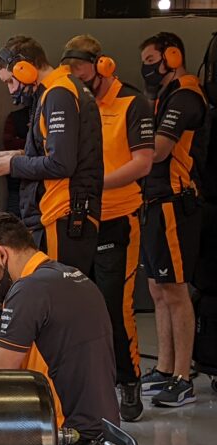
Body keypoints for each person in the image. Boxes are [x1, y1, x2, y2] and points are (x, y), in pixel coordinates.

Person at [0, 213, 118, 445]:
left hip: (68, 444)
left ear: (1, 254)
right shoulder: (75, 276)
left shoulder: (28, 290)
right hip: (106, 439)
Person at [61, 35, 155, 422]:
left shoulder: (133, 103)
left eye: (81, 71)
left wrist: (94, 183)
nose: (77, 79)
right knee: (76, 309)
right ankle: (86, 386)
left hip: (119, 219)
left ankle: (129, 381)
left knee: (114, 306)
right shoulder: (75, 103)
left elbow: (143, 162)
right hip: (79, 219)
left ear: (102, 66)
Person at [0, 36, 104, 273]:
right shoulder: (58, 90)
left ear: (26, 68)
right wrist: (23, 153)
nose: (11, 90)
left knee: (57, 291)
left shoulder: (58, 94)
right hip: (62, 216)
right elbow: (63, 150)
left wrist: (14, 164)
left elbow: (61, 163)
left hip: (61, 216)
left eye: (10, 81)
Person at [137, 32, 209, 407]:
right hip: (154, 201)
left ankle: (183, 377)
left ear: (173, 56)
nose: (147, 67)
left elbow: (161, 150)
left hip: (175, 204)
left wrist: (127, 145)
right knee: (157, 290)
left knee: (176, 292)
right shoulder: (165, 96)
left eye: (152, 59)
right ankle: (165, 369)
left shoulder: (186, 97)